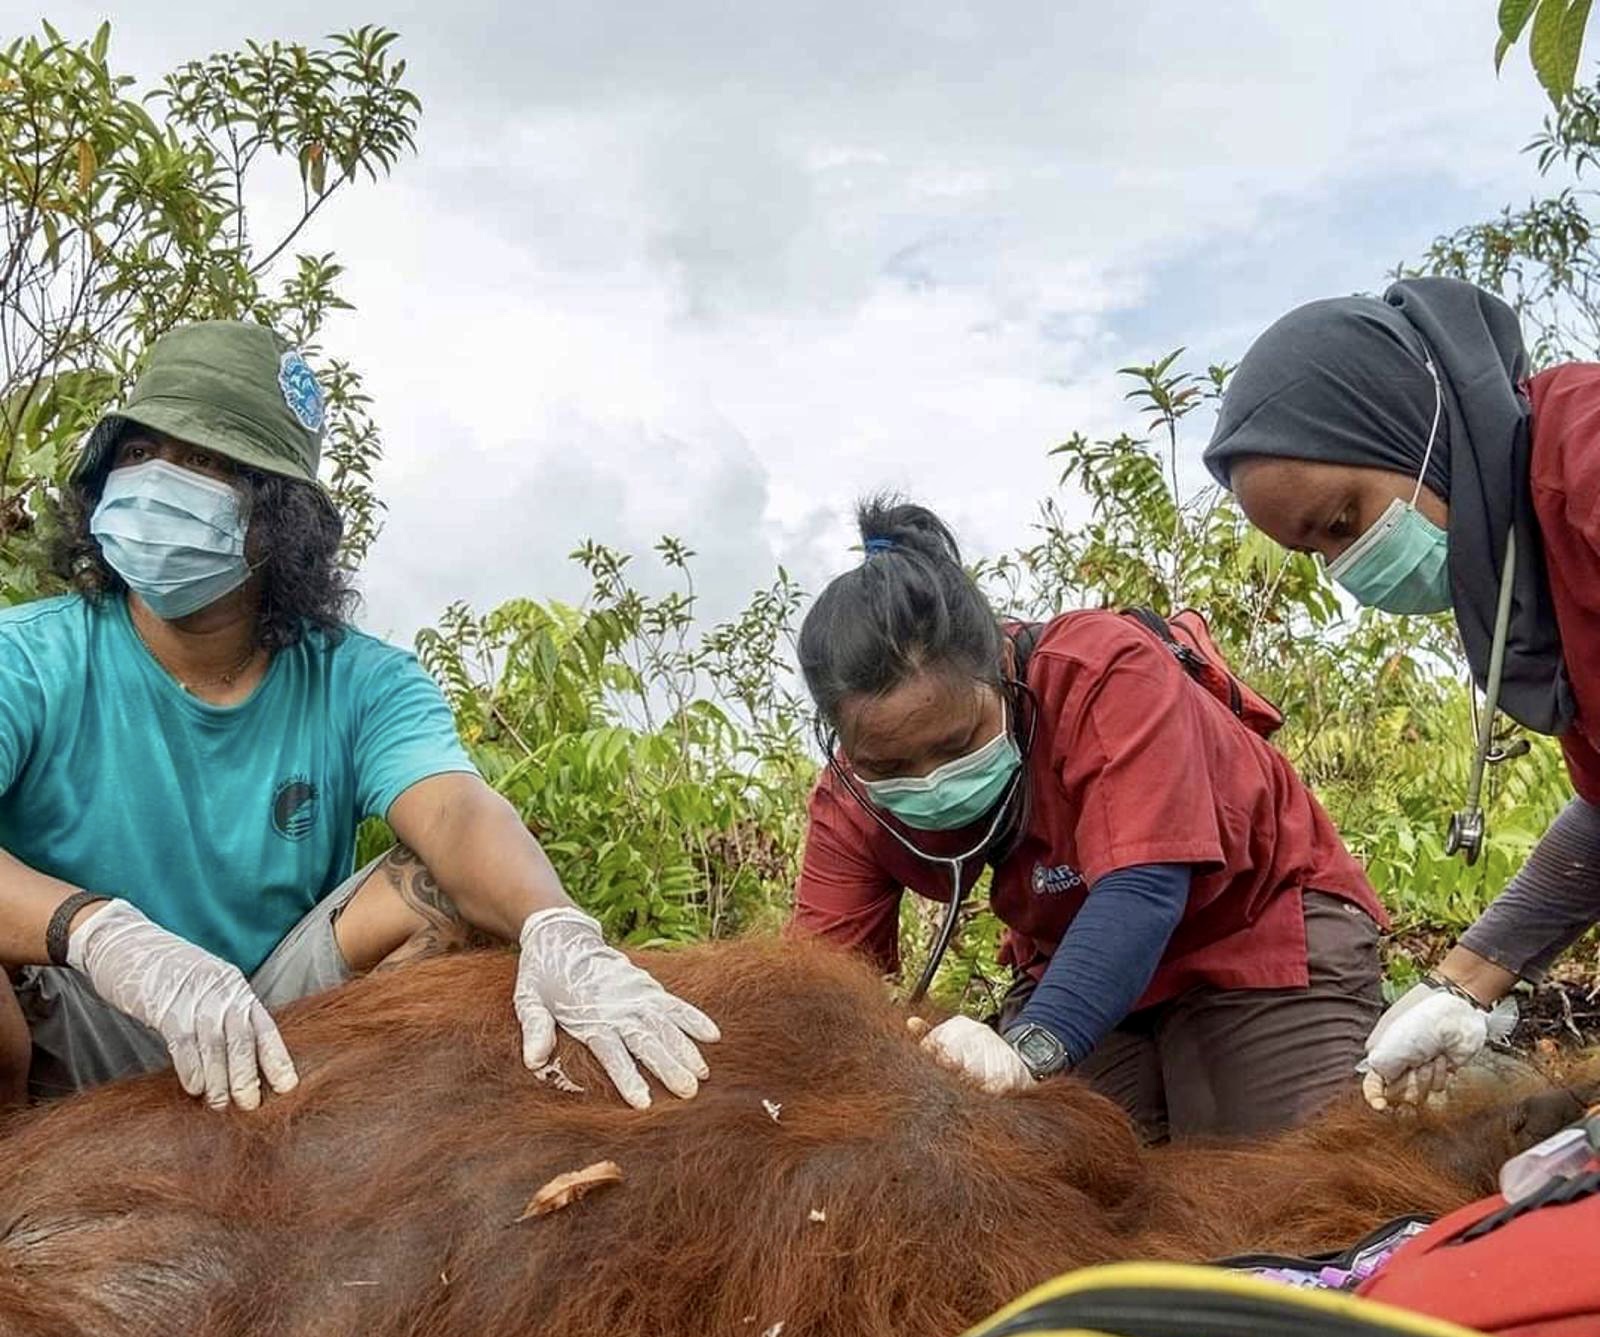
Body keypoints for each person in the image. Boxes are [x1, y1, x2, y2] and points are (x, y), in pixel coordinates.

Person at [0, 320, 717, 1112]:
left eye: (203, 461)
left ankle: (316, 1145)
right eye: (139, 453)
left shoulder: (360, 680)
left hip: (286, 1025)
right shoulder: (26, 657)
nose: (158, 481)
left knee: (447, 893)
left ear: (277, 516)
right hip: (75, 1013)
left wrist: (556, 925)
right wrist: (98, 933)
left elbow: (453, 811)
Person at [788, 495, 1388, 1140]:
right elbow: (821, 983)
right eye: (889, 764)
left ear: (1000, 673)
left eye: (958, 744)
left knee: (1266, 1170)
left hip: (1249, 925)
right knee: (1063, 1165)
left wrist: (1031, 1047)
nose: (930, 778)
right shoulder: (850, 797)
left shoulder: (1099, 668)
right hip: (1070, 962)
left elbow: (1144, 888)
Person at [1205, 275, 1600, 1111]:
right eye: (1318, 554)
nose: (1349, 568)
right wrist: (1461, 984)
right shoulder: (1531, 589)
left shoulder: (1584, 460)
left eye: (1342, 523)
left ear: (1414, 429)